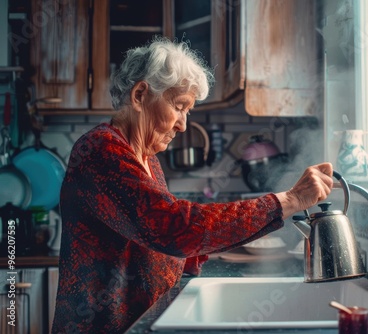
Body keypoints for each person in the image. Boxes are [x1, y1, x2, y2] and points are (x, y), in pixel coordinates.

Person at [51, 36, 334, 334]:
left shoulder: (147, 158)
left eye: (188, 111)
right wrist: (287, 200)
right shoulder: (101, 150)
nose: (183, 125)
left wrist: (194, 252)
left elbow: (158, 239)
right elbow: (173, 227)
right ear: (140, 95)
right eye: (179, 106)